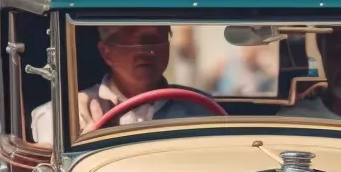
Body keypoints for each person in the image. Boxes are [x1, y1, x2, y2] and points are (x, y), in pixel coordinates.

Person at [29, 25, 216, 144]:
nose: (146, 51)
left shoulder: (201, 108)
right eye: (131, 41)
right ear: (106, 53)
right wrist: (84, 149)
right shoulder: (66, 114)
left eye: (155, 39)